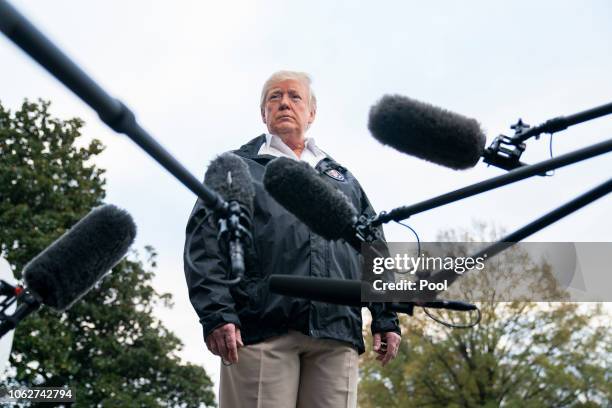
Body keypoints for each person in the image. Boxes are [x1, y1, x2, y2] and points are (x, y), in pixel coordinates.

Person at [184, 70, 401, 407]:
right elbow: (205, 243)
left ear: (311, 113)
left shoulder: (342, 178)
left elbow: (374, 248)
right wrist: (216, 313)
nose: (284, 102)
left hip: (336, 332)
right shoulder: (235, 167)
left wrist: (386, 316)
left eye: (294, 96)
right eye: (274, 96)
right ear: (263, 113)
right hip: (262, 328)